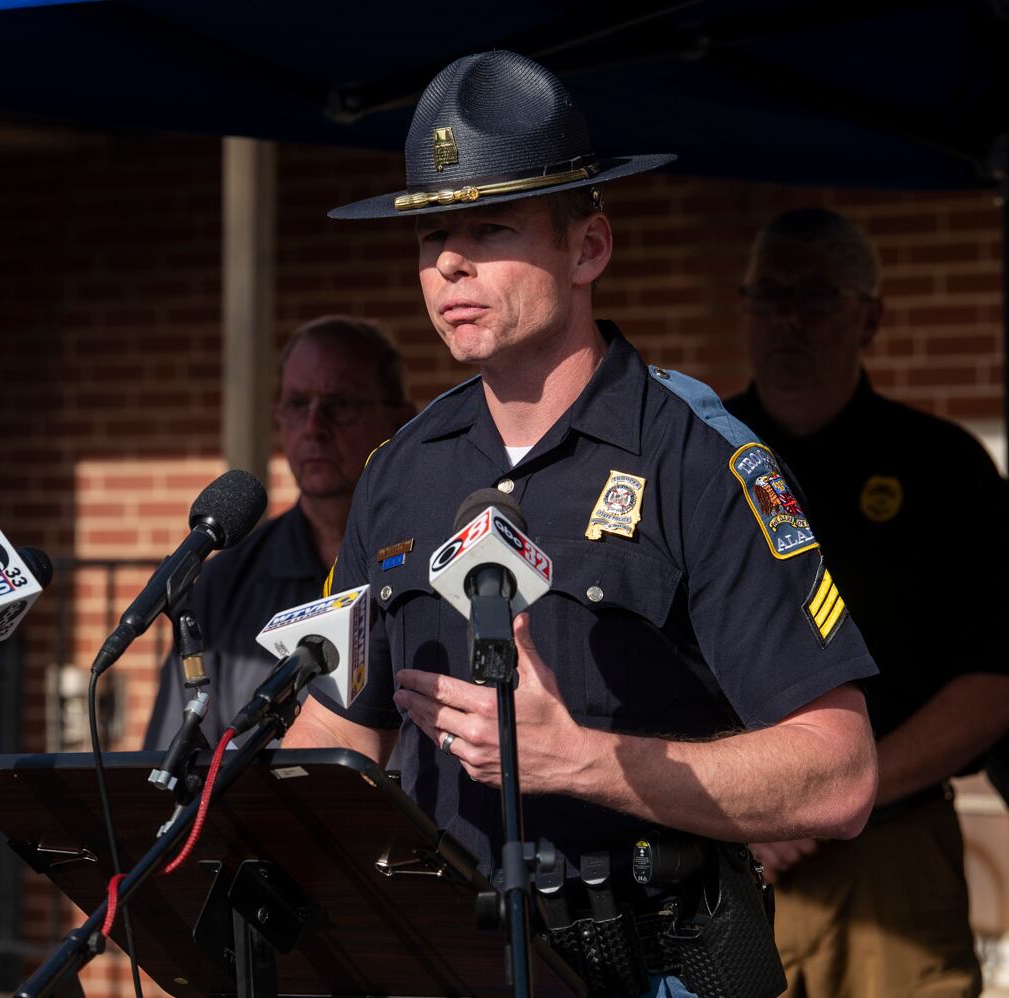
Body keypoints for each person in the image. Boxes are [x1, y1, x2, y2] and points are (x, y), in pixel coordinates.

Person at [283, 50, 880, 995]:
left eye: (490, 227)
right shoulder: (397, 473)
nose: (448, 262)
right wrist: (226, 816)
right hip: (445, 961)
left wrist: (586, 761)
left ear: (588, 247)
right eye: (431, 231)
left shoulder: (699, 459)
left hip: (655, 964)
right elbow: (342, 733)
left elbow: (838, 774)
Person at [724, 207, 1009, 997]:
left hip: (894, 855)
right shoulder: (690, 458)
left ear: (871, 317)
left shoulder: (947, 468)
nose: (787, 318)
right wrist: (748, 806)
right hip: (726, 854)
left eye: (815, 297)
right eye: (767, 295)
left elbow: (993, 685)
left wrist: (829, 795)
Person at [144, 316, 413, 749]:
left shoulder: (425, 560)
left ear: (401, 419)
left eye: (340, 404)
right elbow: (176, 756)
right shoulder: (225, 581)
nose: (314, 427)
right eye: (296, 404)